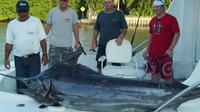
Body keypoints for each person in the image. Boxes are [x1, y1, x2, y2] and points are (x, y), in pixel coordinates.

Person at [4, 0, 48, 90]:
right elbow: (9, 43)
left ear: (29, 10)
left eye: (25, 11)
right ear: (16, 11)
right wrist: (6, 58)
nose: (23, 14)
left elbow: (42, 40)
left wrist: (45, 54)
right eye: (20, 11)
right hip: (19, 60)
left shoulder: (36, 21)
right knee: (21, 85)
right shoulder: (11, 24)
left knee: (35, 85)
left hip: (34, 59)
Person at [143, 0, 180, 84]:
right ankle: (155, 94)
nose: (155, 9)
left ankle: (169, 93)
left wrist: (171, 49)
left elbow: (177, 34)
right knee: (154, 74)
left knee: (167, 76)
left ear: (163, 7)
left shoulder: (171, 19)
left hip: (165, 54)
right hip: (152, 53)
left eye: (157, 7)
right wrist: (147, 49)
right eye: (154, 7)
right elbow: (151, 35)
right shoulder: (153, 20)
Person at [91, 0, 128, 73]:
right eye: (105, 2)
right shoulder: (100, 14)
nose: (107, 4)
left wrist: (122, 36)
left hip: (116, 45)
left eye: (109, 2)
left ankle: (116, 81)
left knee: (116, 66)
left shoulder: (119, 14)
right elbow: (96, 28)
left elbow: (125, 28)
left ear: (113, 3)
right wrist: (93, 40)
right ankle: (99, 80)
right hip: (102, 44)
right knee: (100, 65)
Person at [45, 0, 80, 66]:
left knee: (68, 68)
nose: (62, 2)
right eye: (61, 0)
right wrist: (40, 40)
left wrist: (77, 42)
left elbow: (76, 28)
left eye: (64, 0)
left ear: (68, 1)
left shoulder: (73, 13)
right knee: (52, 68)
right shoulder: (52, 12)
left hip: (67, 46)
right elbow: (47, 28)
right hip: (54, 46)